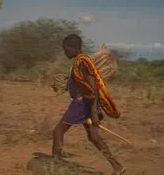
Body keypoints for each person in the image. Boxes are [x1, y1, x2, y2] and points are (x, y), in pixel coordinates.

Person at [52, 34, 126, 175]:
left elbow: (93, 89)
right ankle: (117, 166)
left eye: (65, 49)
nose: (64, 52)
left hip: (82, 104)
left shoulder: (82, 62)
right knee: (93, 137)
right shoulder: (80, 61)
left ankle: (55, 167)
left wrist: (93, 113)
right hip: (85, 103)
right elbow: (85, 84)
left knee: (57, 132)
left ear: (71, 47)